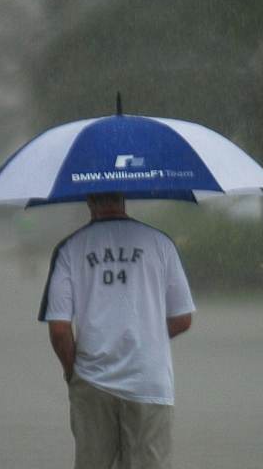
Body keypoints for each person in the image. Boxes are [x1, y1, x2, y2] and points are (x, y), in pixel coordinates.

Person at [38, 192, 195, 469]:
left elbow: (60, 329)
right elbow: (182, 318)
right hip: (149, 380)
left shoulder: (69, 249)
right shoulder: (160, 243)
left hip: (92, 380)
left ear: (88, 201)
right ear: (124, 199)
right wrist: (146, 336)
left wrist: (71, 372)